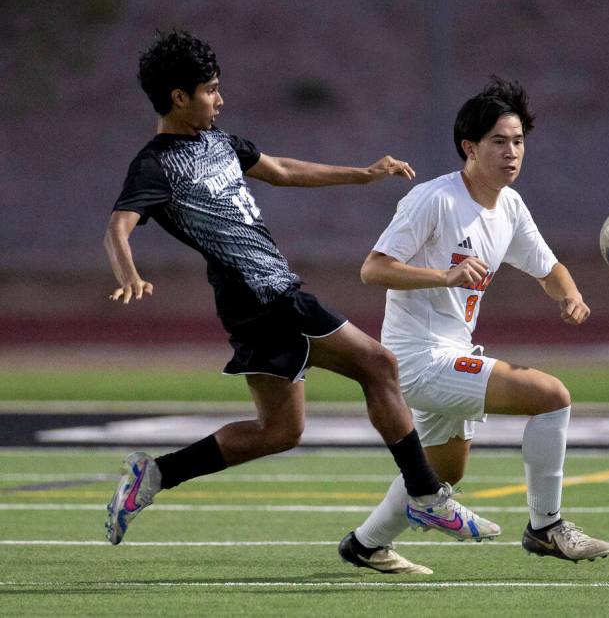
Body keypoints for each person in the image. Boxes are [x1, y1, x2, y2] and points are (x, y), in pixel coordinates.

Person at [103, 30, 496, 560]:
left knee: (280, 431)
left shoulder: (222, 143)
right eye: (211, 90)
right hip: (266, 296)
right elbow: (119, 226)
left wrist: (363, 174)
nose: (220, 100)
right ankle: (425, 494)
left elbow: (284, 171)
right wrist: (128, 271)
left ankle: (154, 474)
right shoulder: (155, 164)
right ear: (179, 97)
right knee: (378, 364)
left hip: (252, 306)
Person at [338, 77, 609, 574]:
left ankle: (364, 544)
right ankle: (546, 527)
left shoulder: (509, 205)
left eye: (519, 141)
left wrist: (570, 294)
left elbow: (549, 269)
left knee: (443, 470)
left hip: (452, 349)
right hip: (418, 359)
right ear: (470, 147)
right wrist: (444, 274)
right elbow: (372, 268)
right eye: (499, 142)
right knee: (551, 395)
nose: (512, 152)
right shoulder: (434, 199)